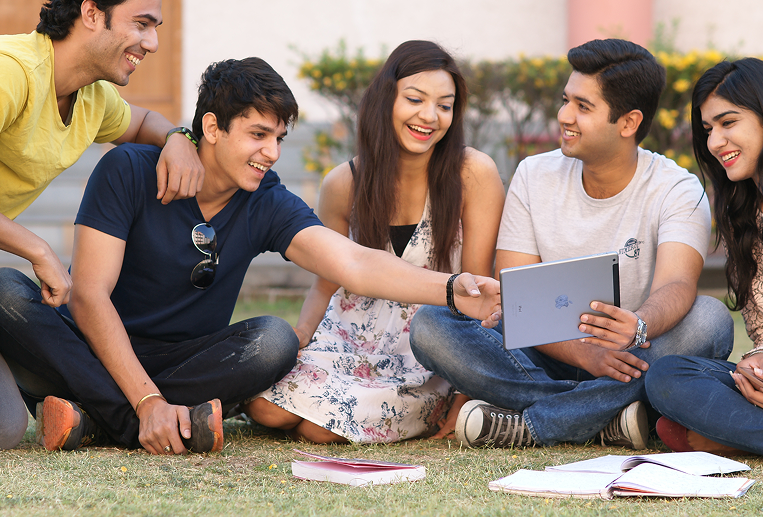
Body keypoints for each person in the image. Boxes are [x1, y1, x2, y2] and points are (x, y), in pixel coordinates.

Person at [0, 57, 501, 456]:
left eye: (279, 138)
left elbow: (352, 263)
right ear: (212, 128)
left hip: (184, 360)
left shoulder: (265, 199)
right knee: (6, 288)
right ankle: (133, 422)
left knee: (273, 341)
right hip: (85, 345)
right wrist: (147, 401)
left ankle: (90, 414)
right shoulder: (130, 169)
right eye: (258, 135)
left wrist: (451, 289)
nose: (272, 153)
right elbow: (88, 295)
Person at [410, 38, 734, 450]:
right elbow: (516, 295)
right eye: (566, 100)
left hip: (634, 354)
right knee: (431, 324)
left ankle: (535, 424)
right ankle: (605, 418)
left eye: (583, 106)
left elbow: (678, 287)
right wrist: (582, 354)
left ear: (629, 122)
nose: (564, 115)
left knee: (709, 320)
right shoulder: (534, 174)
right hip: (544, 353)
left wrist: (637, 326)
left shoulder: (678, 189)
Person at [0, 0, 204, 449]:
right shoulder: (12, 73)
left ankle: (71, 404)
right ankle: (129, 421)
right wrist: (36, 249)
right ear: (92, 13)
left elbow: (143, 124)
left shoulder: (93, 97)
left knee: (4, 428)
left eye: (154, 27)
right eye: (141, 24)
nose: (152, 44)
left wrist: (179, 139)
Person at [245, 41, 505, 443]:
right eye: (415, 99)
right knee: (264, 409)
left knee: (318, 431)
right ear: (387, 99)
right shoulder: (343, 182)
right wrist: (300, 338)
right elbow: (325, 282)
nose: (429, 116)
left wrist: (466, 395)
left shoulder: (473, 173)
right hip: (347, 335)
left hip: (423, 348)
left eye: (445, 105)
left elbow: (476, 287)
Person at [645, 58, 763, 466]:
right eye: (708, 129)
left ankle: (738, 436)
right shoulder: (746, 215)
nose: (715, 142)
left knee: (673, 423)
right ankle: (756, 436)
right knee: (667, 377)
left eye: (728, 122)